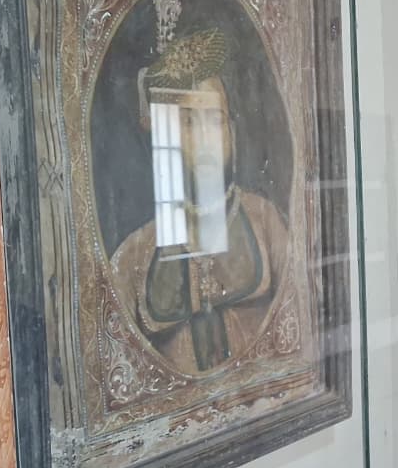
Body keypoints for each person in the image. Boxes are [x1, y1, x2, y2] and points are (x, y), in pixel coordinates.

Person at [110, 24, 292, 376]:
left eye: (215, 120)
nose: (206, 137)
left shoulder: (265, 222)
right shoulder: (133, 256)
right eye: (190, 122)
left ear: (231, 132)